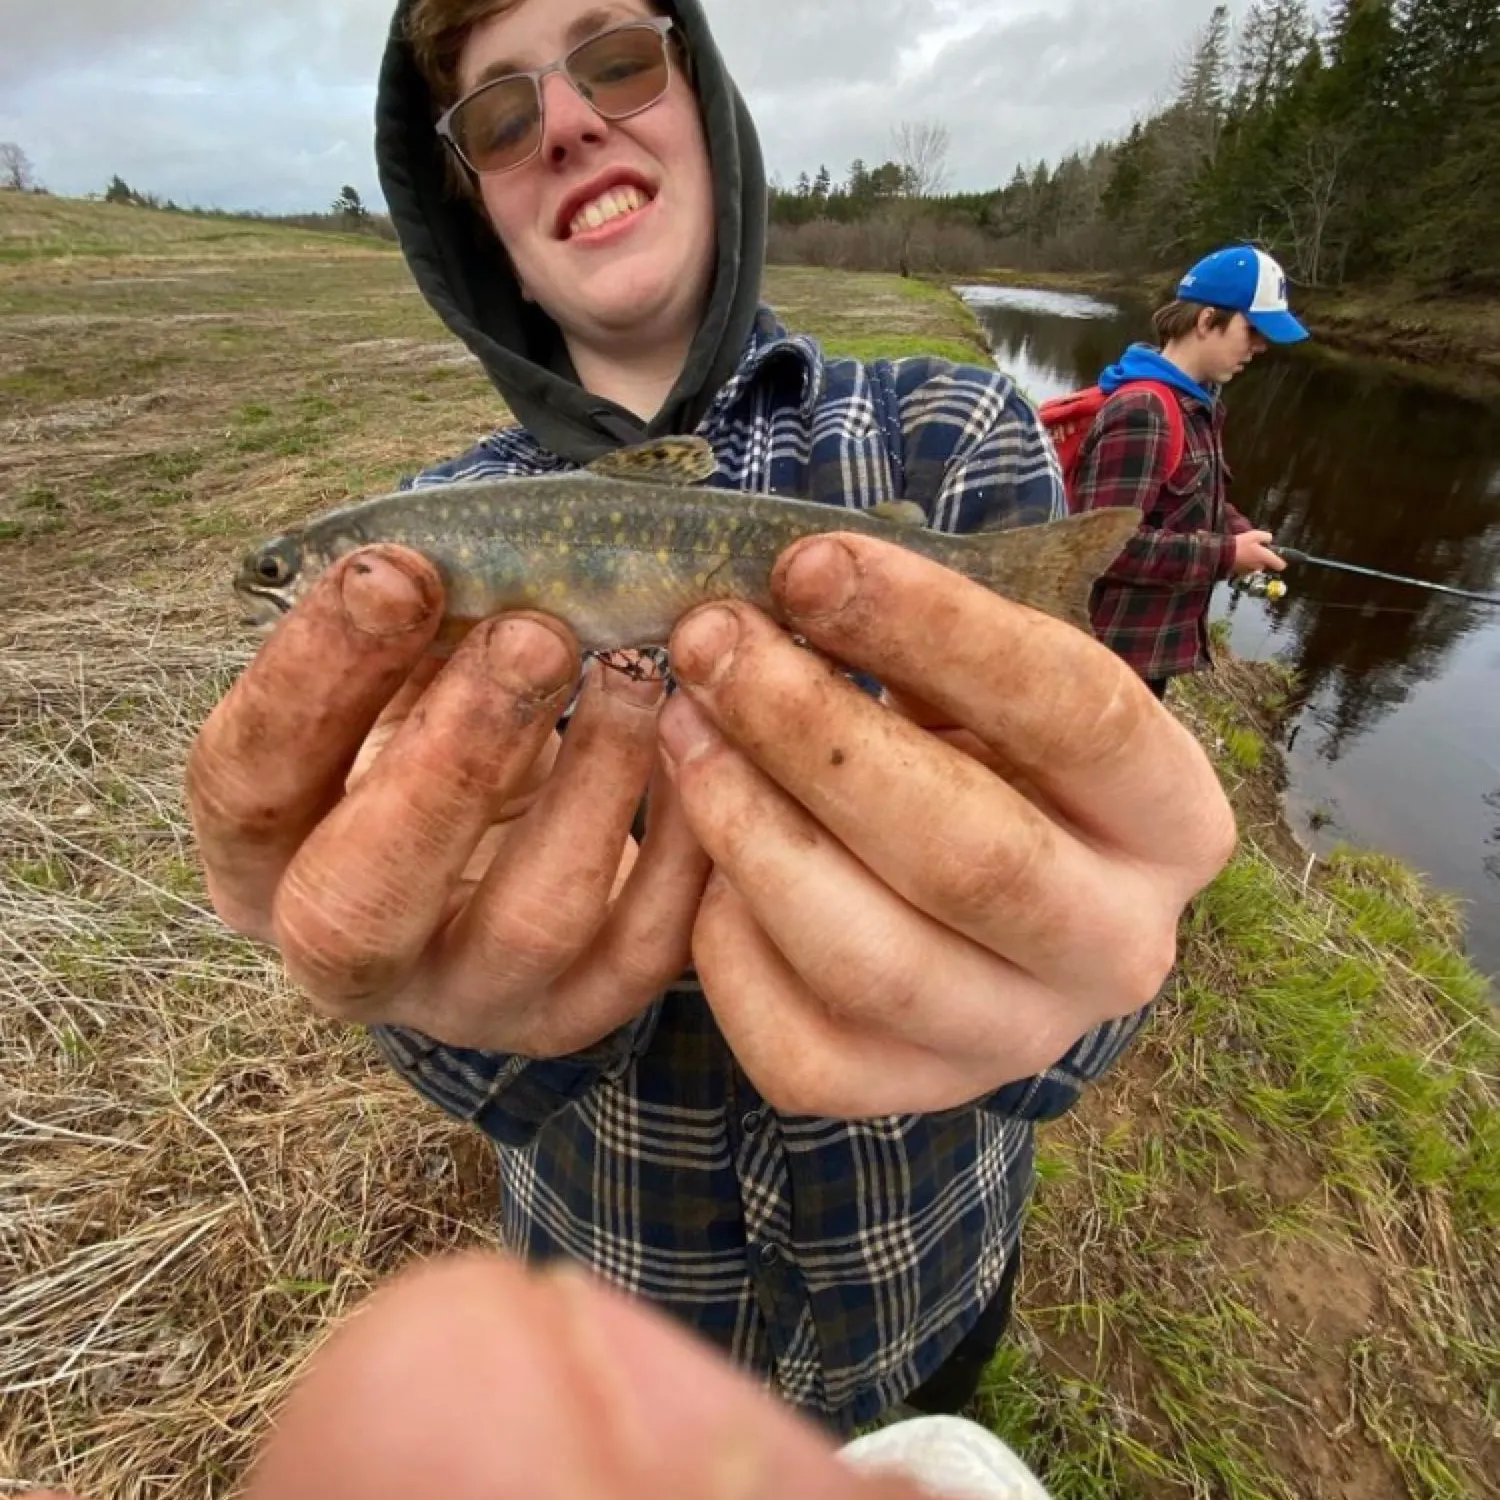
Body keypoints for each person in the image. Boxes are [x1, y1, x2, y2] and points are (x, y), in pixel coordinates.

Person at [185, 0, 1236, 1434]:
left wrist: (1086, 986)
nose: (563, 122)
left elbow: (1094, 904)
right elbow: (449, 1007)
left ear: (709, 103)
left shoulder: (956, 436)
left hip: (920, 1282)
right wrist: (399, 976)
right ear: (474, 213)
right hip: (618, 1314)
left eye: (616, 59)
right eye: (499, 116)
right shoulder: (433, 526)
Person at [22, 1250, 1056, 1500]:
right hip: (623, 1259)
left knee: (935, 1385)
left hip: (926, 1266)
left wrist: (1070, 1022)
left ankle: (919, 1412)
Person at [1070, 245, 1308, 699]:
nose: (1260, 348)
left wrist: (1242, 535)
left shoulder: (1196, 402)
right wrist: (1224, 556)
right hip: (1108, 660)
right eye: (1252, 331)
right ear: (1205, 321)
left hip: (1143, 657)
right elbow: (1099, 546)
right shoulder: (1144, 410)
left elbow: (1188, 499)